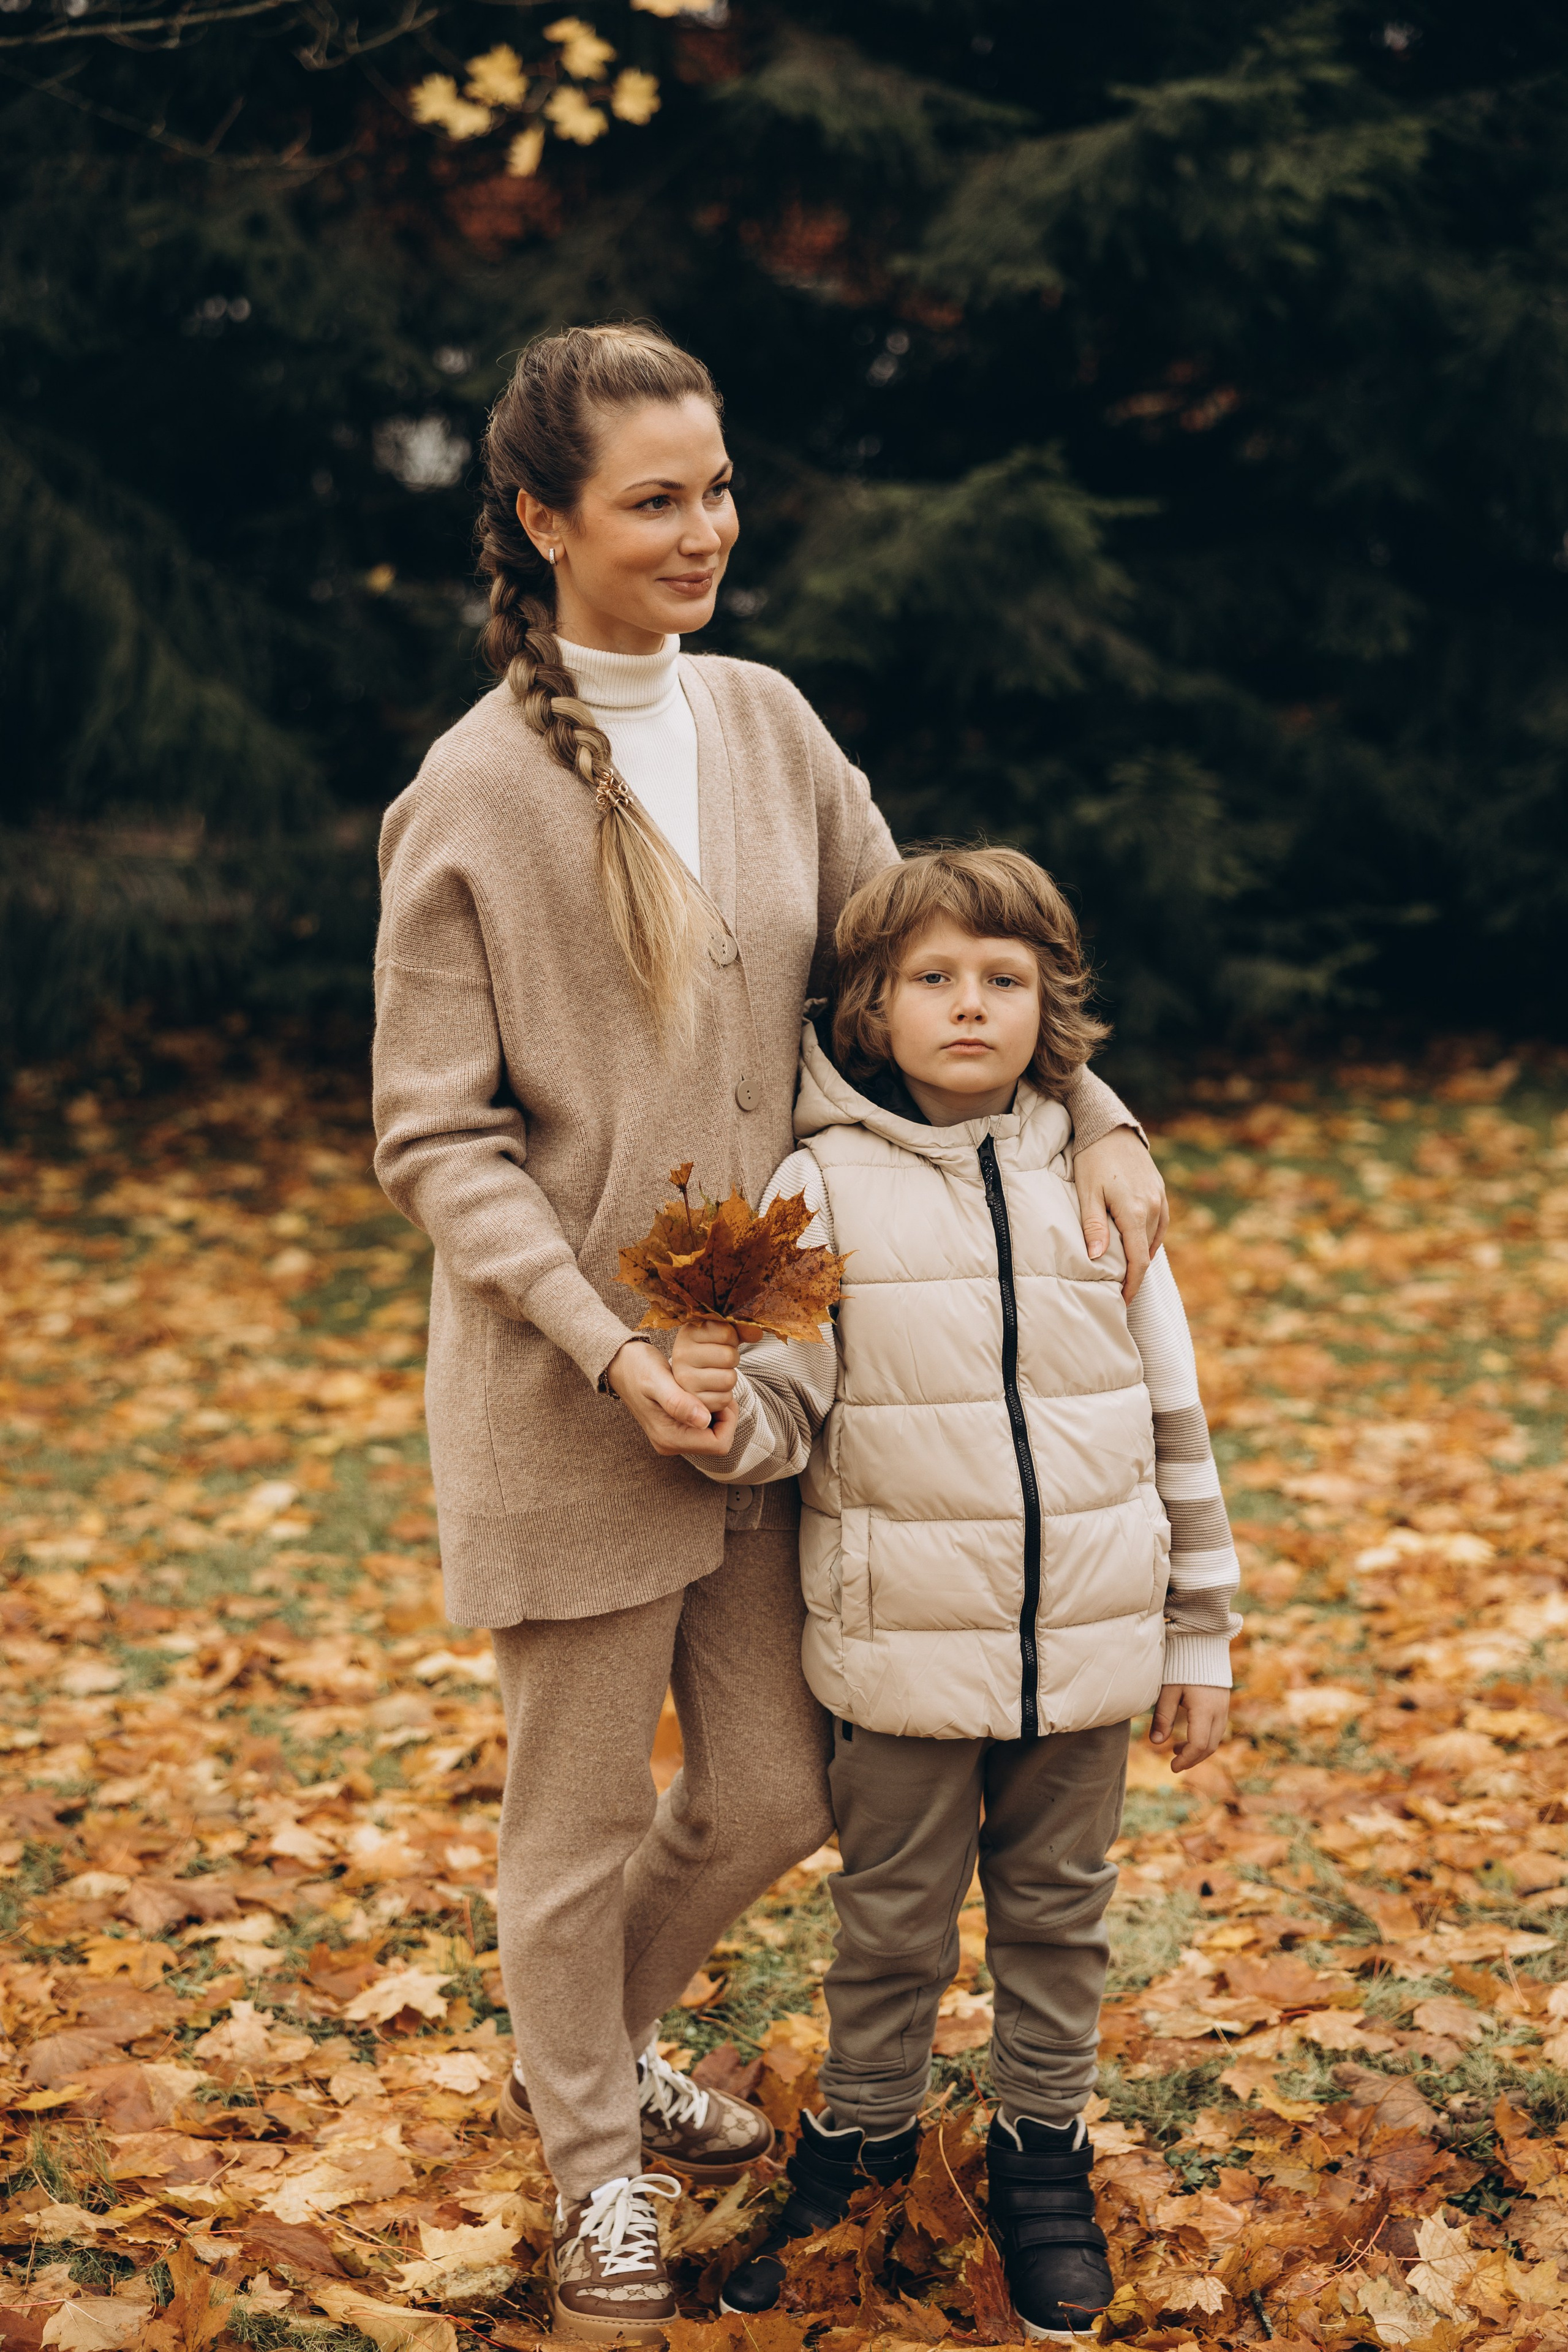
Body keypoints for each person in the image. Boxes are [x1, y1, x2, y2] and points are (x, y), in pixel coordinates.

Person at [371, 324, 1169, 2344]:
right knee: (564, 1832)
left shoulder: (766, 726)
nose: (706, 529)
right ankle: (593, 2176)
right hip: (577, 1400)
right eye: (656, 500)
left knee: (768, 1794)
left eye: (718, 488)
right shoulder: (468, 797)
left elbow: (925, 945)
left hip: (773, 1378)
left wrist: (1097, 1110)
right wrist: (603, 1341)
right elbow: (433, 1138)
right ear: (545, 522)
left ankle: (592, 2041)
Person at [670, 847, 1241, 2343]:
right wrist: (725, 1415)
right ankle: (855, 2150)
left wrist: (1202, 1631)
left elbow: (1169, 1414)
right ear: (872, 1003)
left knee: (1058, 1918)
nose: (969, 1007)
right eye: (933, 979)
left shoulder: (1099, 1179)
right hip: (899, 1656)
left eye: (1003, 981)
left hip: (1092, 1647)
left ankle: (1038, 2156)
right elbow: (788, 1414)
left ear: (1049, 1005)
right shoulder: (819, 1183)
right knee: (893, 1924)